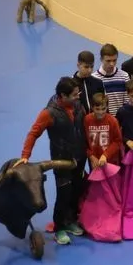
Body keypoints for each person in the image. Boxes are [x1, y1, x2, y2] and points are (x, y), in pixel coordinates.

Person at [17, 77, 88, 245]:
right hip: (61, 160)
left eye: (78, 93)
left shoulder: (78, 105)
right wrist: (25, 156)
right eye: (74, 94)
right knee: (64, 194)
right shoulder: (48, 113)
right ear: (62, 95)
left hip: (79, 157)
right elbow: (33, 133)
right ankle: (59, 228)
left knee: (76, 190)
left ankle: (70, 221)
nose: (77, 96)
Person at [84, 92, 123, 168]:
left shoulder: (113, 121)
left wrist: (106, 155)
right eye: (97, 109)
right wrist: (91, 156)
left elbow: (118, 141)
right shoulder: (87, 120)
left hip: (111, 162)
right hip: (94, 162)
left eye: (103, 109)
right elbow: (83, 141)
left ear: (107, 107)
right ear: (92, 107)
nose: (100, 112)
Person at [93, 43, 130, 115]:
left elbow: (127, 102)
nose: (112, 64)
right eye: (108, 61)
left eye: (114, 60)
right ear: (101, 59)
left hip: (120, 120)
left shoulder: (124, 76)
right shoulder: (94, 78)